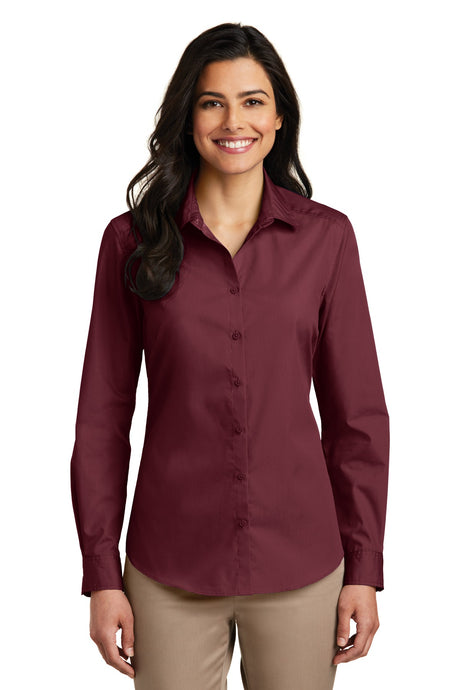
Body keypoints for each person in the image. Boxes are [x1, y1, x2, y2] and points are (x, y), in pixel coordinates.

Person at [70, 22, 390, 690]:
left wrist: (363, 567)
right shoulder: (131, 242)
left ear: (279, 117)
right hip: (169, 569)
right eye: (212, 102)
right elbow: (102, 418)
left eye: (252, 101)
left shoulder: (326, 240)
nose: (233, 121)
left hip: (302, 567)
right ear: (187, 116)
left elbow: (357, 417)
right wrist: (102, 574)